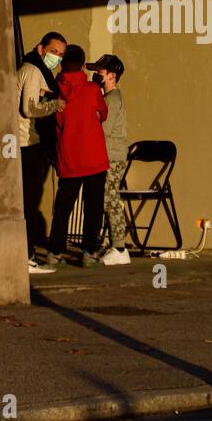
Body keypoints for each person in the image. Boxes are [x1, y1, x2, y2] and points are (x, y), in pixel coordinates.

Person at [48, 44, 109, 267]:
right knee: (92, 206)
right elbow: (103, 113)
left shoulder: (55, 89)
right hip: (94, 157)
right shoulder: (92, 89)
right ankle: (88, 251)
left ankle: (55, 251)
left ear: (62, 64)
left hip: (69, 157)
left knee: (63, 207)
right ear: (83, 65)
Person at [17, 31, 66, 274]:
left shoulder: (34, 70)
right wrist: (54, 105)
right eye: (53, 51)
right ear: (40, 49)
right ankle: (26, 257)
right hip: (27, 143)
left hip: (29, 142)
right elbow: (29, 108)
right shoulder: (34, 71)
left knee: (29, 201)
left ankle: (29, 255)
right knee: (29, 201)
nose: (56, 58)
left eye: (60, 55)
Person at [89, 54, 130, 265]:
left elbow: (102, 130)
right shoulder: (108, 98)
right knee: (108, 198)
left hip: (112, 156)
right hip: (110, 155)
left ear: (112, 76)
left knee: (110, 198)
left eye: (100, 72)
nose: (96, 74)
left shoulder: (112, 100)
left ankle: (120, 248)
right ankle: (114, 245)